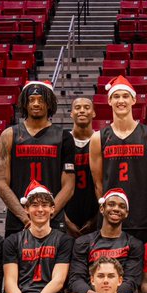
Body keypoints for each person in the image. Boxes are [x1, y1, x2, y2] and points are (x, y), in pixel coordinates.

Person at [90, 75, 147, 240]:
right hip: (110, 218)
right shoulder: (98, 138)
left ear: (134, 100)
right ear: (109, 101)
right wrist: (107, 210)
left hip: (143, 217)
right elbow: (98, 184)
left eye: (125, 96)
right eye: (116, 96)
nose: (121, 100)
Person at [0, 81, 75, 237]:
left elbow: (69, 187)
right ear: (25, 103)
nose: (36, 104)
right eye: (31, 100)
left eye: (41, 99)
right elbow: (1, 183)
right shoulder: (9, 135)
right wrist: (25, 218)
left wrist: (44, 216)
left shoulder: (64, 137)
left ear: (49, 103)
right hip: (19, 220)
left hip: (52, 221)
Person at [66, 189, 145, 293]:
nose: (116, 209)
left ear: (126, 213)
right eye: (111, 204)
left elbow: (131, 280)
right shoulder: (83, 242)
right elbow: (76, 278)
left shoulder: (134, 244)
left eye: (121, 206)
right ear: (102, 209)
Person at [63, 97, 99, 237]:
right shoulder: (63, 141)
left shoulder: (101, 141)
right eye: (77, 108)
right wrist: (65, 220)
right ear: (71, 113)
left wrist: (97, 219)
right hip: (67, 215)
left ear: (94, 113)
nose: (82, 111)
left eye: (86, 107)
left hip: (95, 214)